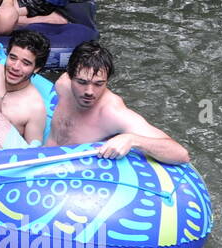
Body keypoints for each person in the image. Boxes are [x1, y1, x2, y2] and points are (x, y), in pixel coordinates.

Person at [46, 42, 190, 163]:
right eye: (82, 82)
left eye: (98, 84)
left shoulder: (112, 113)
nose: (89, 91)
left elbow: (181, 154)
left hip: (73, 174)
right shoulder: (63, 85)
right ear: (70, 76)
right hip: (43, 156)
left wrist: (132, 140)